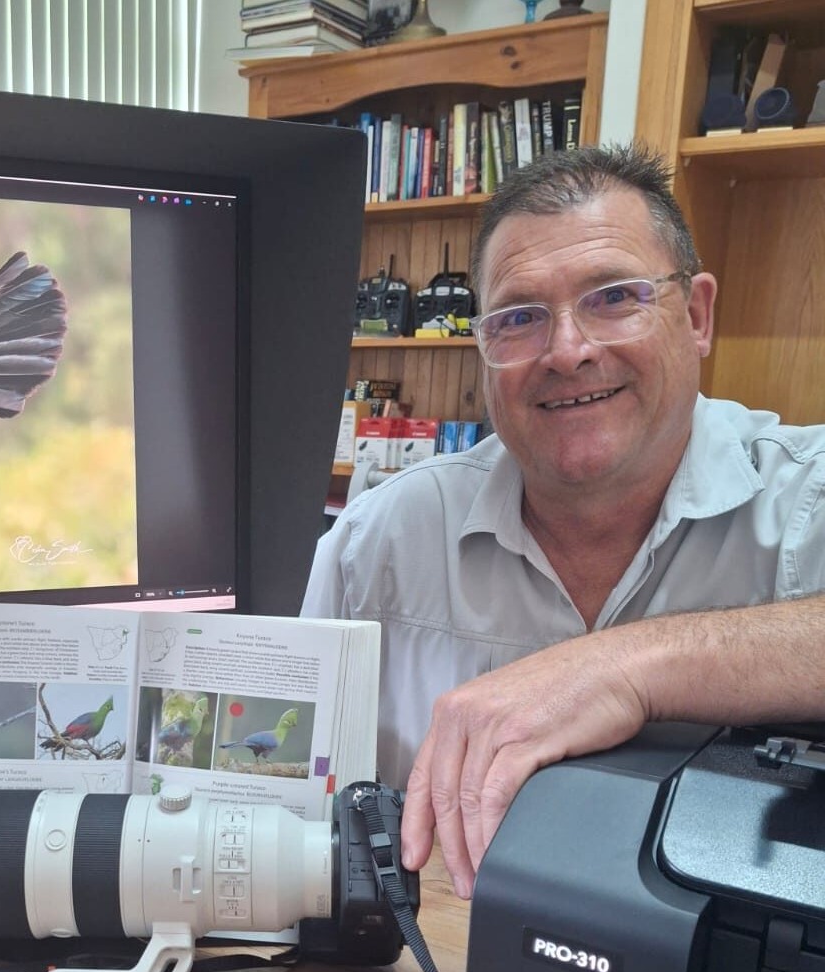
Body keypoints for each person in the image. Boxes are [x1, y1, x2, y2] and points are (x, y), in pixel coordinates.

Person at [301, 143, 825, 900]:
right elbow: (288, 800)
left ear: (697, 315)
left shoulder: (805, 497)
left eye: (613, 297)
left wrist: (624, 670)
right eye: (519, 318)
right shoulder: (376, 541)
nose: (568, 351)